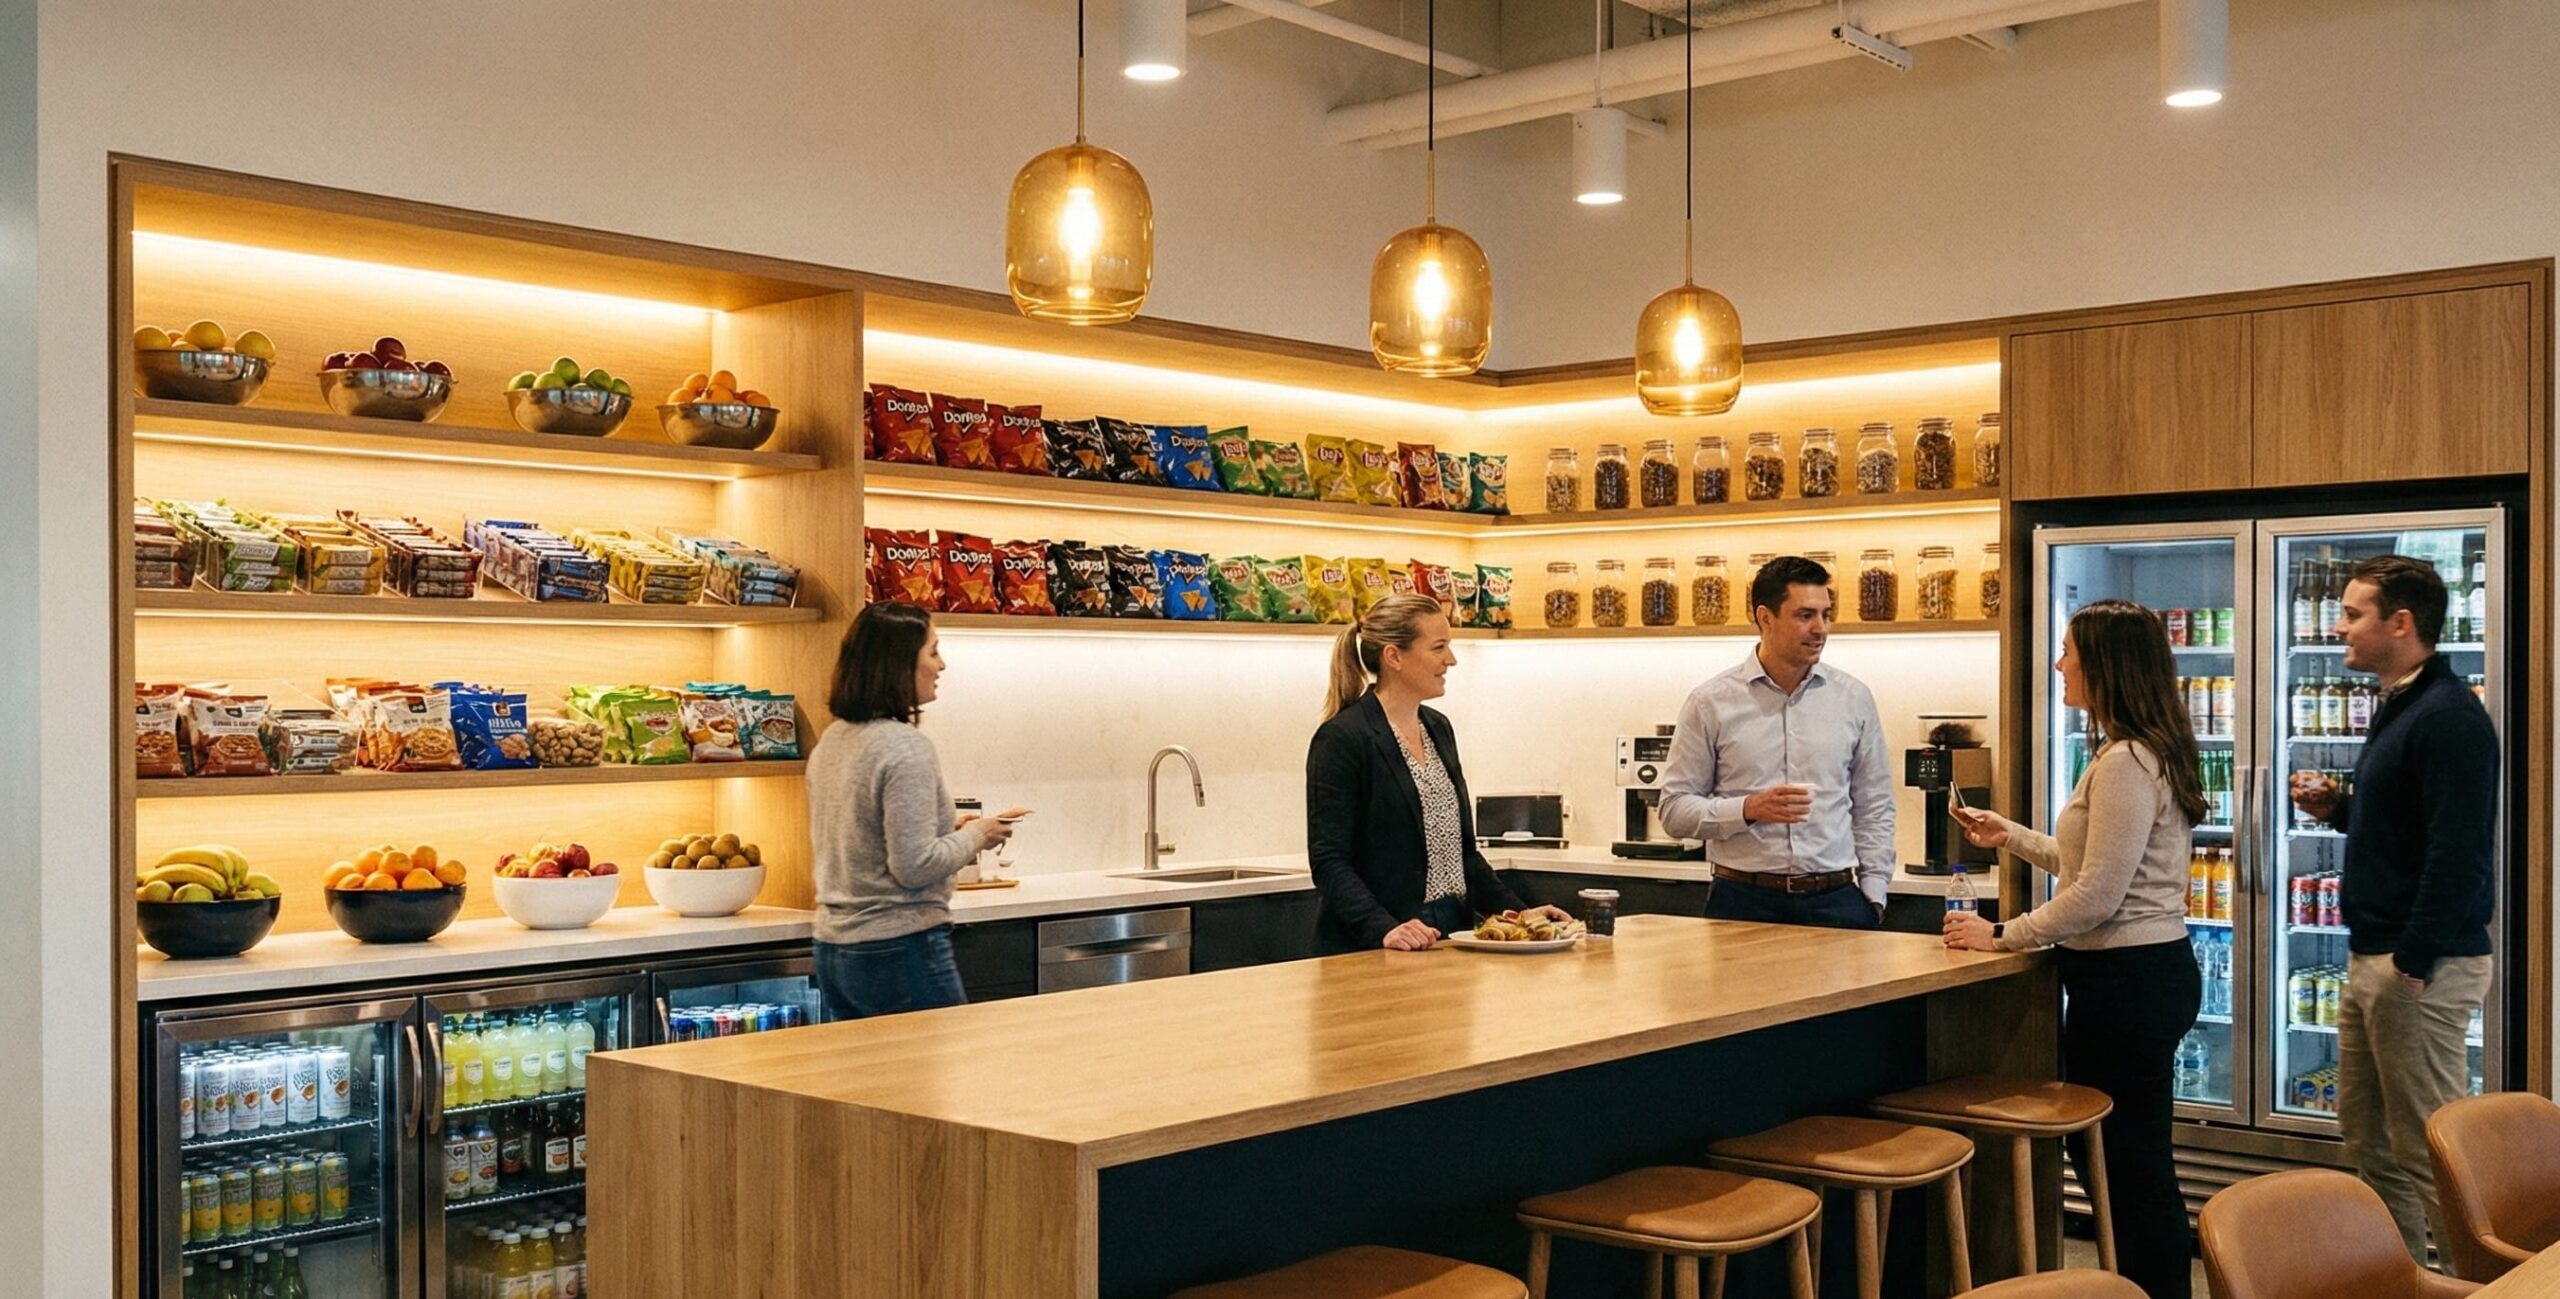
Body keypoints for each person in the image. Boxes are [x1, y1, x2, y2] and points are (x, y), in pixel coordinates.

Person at [1942, 599, 2207, 1299]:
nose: (2059, 664)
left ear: (2106, 664)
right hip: (2147, 973)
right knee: (2131, 1159)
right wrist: (2013, 836)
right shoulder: (2143, 749)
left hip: (2126, 980)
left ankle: (2149, 1291)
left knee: (2129, 1167)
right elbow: (2094, 864)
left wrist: (2000, 933)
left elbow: (2098, 897)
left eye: (2069, 651)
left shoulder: (2124, 760)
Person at [2289, 555, 2498, 1263]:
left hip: (2418, 966)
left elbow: (2459, 853)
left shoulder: (2448, 716)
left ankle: (2478, 1280)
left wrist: (2412, 959)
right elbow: (2409, 829)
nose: (2338, 625)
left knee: (2428, 1147)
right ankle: (2407, 1280)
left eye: (2353, 614)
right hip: (2377, 956)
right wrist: (2340, 808)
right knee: (2369, 1141)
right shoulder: (2403, 702)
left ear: (2401, 623)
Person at [1306, 593, 1569, 954]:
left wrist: (1521, 916)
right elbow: (1329, 861)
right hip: (1375, 946)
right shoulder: (1342, 738)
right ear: (1394, 657)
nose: (1452, 659)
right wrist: (1385, 929)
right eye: (1439, 647)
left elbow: (1463, 855)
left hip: (1449, 932)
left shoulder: (1437, 728)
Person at [808, 602, 1026, 1020]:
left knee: (867, 1084)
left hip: (835, 949)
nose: (941, 665)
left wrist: (952, 829)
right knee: (932, 1081)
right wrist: (978, 834)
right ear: (899, 663)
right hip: (898, 948)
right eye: (933, 651)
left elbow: (861, 839)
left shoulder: (834, 740)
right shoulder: (904, 746)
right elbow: (914, 866)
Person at [1658, 554, 1895, 929]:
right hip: (1742, 902)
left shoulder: (1854, 698)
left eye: (1826, 614)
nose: (1820, 628)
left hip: (1837, 900)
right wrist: (1749, 808)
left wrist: (1874, 894)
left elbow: (1875, 805)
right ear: (1765, 618)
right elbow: (1673, 811)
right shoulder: (1711, 702)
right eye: (1805, 615)